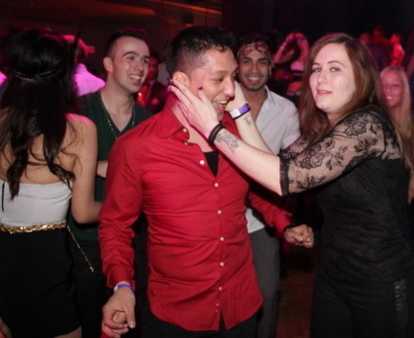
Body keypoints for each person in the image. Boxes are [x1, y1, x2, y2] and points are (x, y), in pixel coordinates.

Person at [172, 32, 414, 338]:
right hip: (334, 273)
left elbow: (288, 178)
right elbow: (274, 164)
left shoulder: (366, 124)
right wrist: (241, 111)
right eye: (316, 69)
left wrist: (212, 129)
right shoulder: (325, 128)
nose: (321, 78)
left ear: (361, 77)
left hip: (382, 278)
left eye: (334, 68)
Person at [98, 26, 311, 338]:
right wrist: (121, 286)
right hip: (177, 314)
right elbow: (116, 226)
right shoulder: (136, 148)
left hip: (240, 305)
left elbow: (254, 190)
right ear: (181, 81)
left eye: (232, 77)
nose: (231, 90)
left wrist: (283, 222)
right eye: (219, 79)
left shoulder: (234, 135)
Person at [0, 28, 101, 337]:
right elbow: (84, 213)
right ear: (64, 75)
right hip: (46, 267)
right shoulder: (79, 130)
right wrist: (130, 202)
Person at [68, 27, 152, 338]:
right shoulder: (78, 110)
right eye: (130, 57)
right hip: (84, 242)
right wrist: (95, 167)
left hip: (132, 243)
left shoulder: (150, 122)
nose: (139, 67)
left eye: (145, 60)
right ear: (107, 64)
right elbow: (51, 166)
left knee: (128, 327)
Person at [236, 34, 300, 338]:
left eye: (261, 62)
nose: (254, 69)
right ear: (236, 66)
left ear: (271, 68)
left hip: (262, 218)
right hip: (220, 216)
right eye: (246, 61)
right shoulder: (219, 103)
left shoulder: (285, 110)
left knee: (268, 293)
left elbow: (295, 159)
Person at [380, 66, 414, 202]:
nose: (388, 90)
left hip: (399, 196)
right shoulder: (367, 123)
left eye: (395, 85)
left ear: (404, 91)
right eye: (383, 85)